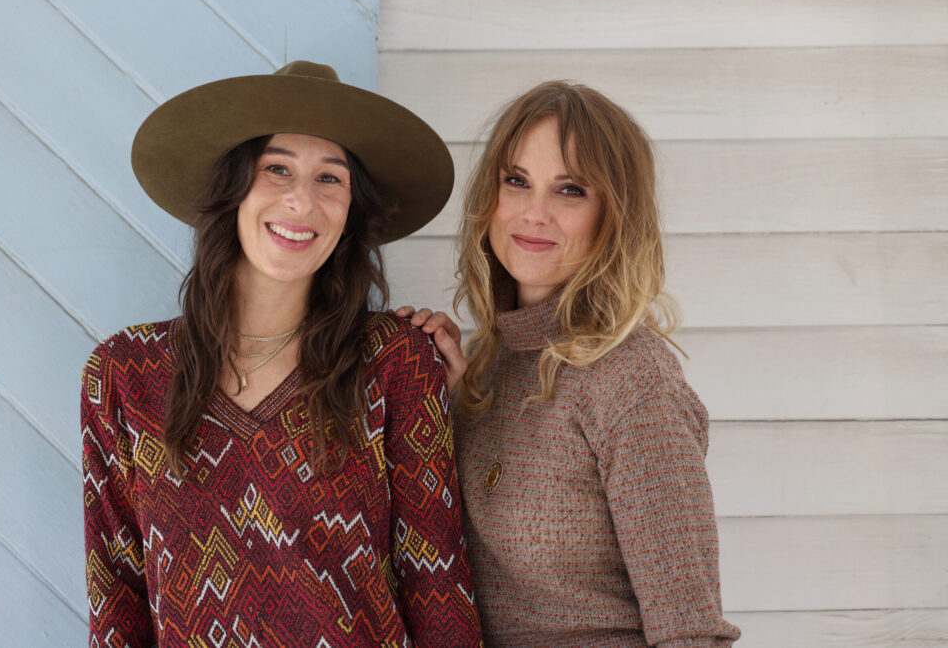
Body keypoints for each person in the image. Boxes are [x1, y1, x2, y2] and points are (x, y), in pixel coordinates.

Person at [82, 61, 483, 647]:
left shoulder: (395, 362)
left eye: (331, 178)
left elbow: (438, 585)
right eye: (277, 168)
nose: (302, 199)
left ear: (350, 214)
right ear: (233, 189)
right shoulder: (126, 373)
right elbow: (115, 594)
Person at [398, 81, 740, 646]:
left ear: (615, 214)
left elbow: (691, 631)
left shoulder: (630, 382)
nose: (534, 214)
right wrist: (445, 408)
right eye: (517, 181)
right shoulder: (488, 365)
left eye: (570, 190)